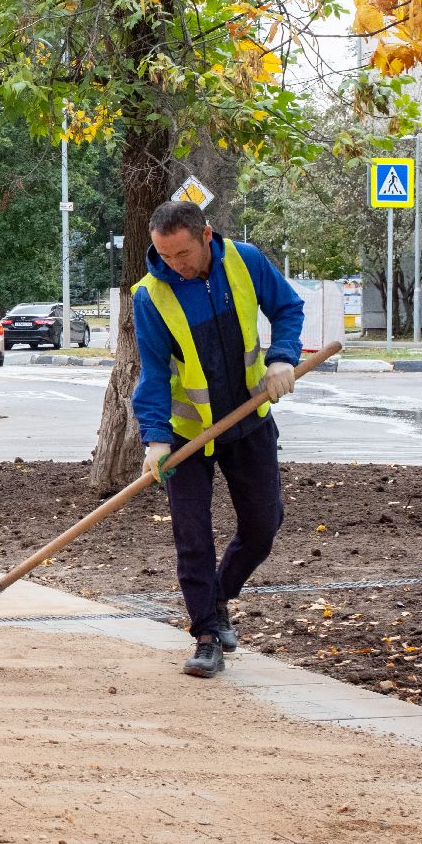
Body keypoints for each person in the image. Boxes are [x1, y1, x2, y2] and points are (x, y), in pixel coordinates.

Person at [131, 200, 304, 678]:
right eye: (165, 256)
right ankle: (206, 634)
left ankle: (219, 596)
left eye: (182, 254)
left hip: (248, 422)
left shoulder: (245, 262)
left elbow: (288, 307)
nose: (175, 265)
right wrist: (155, 439)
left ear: (206, 236)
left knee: (263, 525)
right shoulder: (151, 296)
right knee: (192, 536)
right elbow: (151, 373)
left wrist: (282, 357)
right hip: (186, 436)